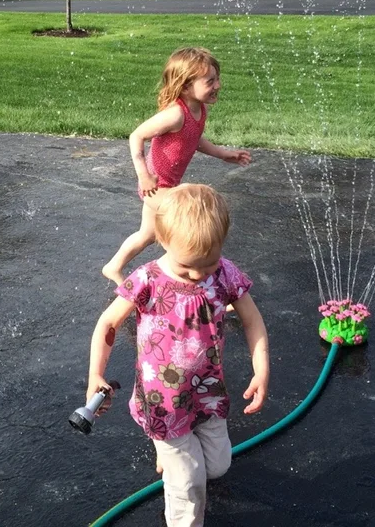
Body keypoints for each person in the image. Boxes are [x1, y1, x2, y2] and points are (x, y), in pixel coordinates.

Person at [86, 184, 270, 527]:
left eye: (209, 262)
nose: (200, 275)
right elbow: (108, 323)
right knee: (188, 484)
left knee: (218, 466)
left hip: (207, 393)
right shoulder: (148, 280)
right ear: (163, 241)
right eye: (188, 267)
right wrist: (96, 374)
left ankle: (172, 455)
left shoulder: (225, 273)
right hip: (163, 401)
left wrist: (261, 371)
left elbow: (252, 322)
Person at [101, 47, 251, 285]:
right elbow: (136, 135)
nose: (218, 85)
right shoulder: (174, 115)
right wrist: (144, 175)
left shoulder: (198, 109)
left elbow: (194, 138)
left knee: (147, 235)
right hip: (156, 186)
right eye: (210, 81)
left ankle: (113, 266)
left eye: (217, 78)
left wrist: (223, 154)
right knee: (191, 228)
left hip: (168, 186)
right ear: (185, 85)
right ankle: (192, 282)